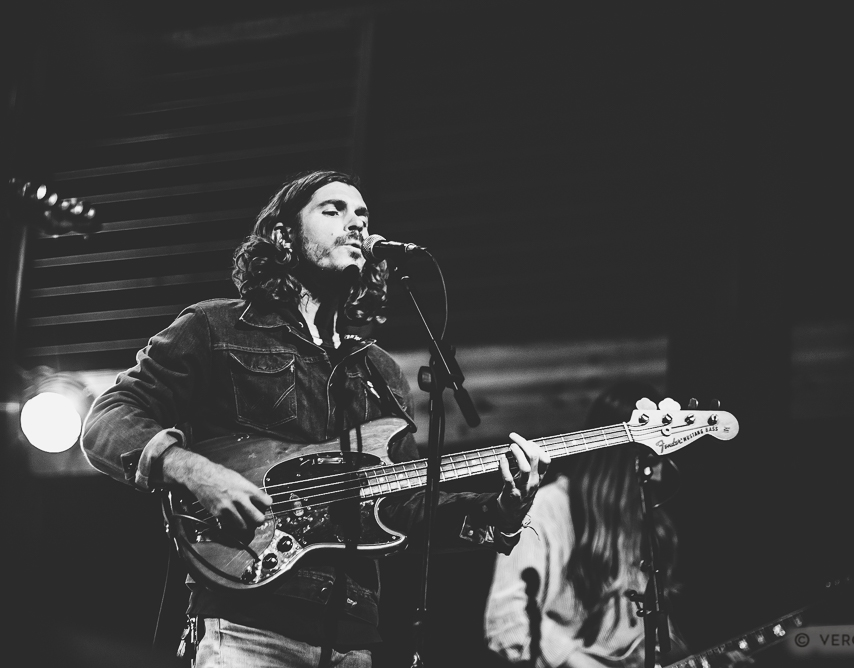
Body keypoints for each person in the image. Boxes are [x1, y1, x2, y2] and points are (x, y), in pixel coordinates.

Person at [81, 169, 549, 667]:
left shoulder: (381, 371)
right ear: (284, 236)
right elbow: (108, 420)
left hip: (354, 633)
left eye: (363, 215)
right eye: (333, 211)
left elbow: (404, 505)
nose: (356, 224)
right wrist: (198, 472)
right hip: (248, 623)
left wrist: (501, 508)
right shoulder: (215, 327)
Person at [483, 381, 685, 668]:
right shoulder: (548, 508)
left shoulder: (647, 517)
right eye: (656, 457)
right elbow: (507, 624)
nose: (662, 471)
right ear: (627, 457)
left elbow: (645, 638)